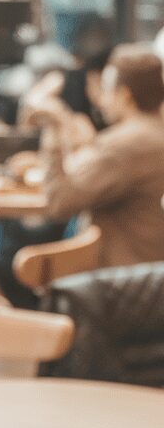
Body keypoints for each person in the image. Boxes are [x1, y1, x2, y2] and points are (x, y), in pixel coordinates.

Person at [36, 45, 164, 268]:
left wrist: (53, 130)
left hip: (121, 285)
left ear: (125, 95)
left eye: (106, 89)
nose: (101, 99)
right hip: (152, 279)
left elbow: (58, 203)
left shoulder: (122, 147)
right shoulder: (153, 134)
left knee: (11, 240)